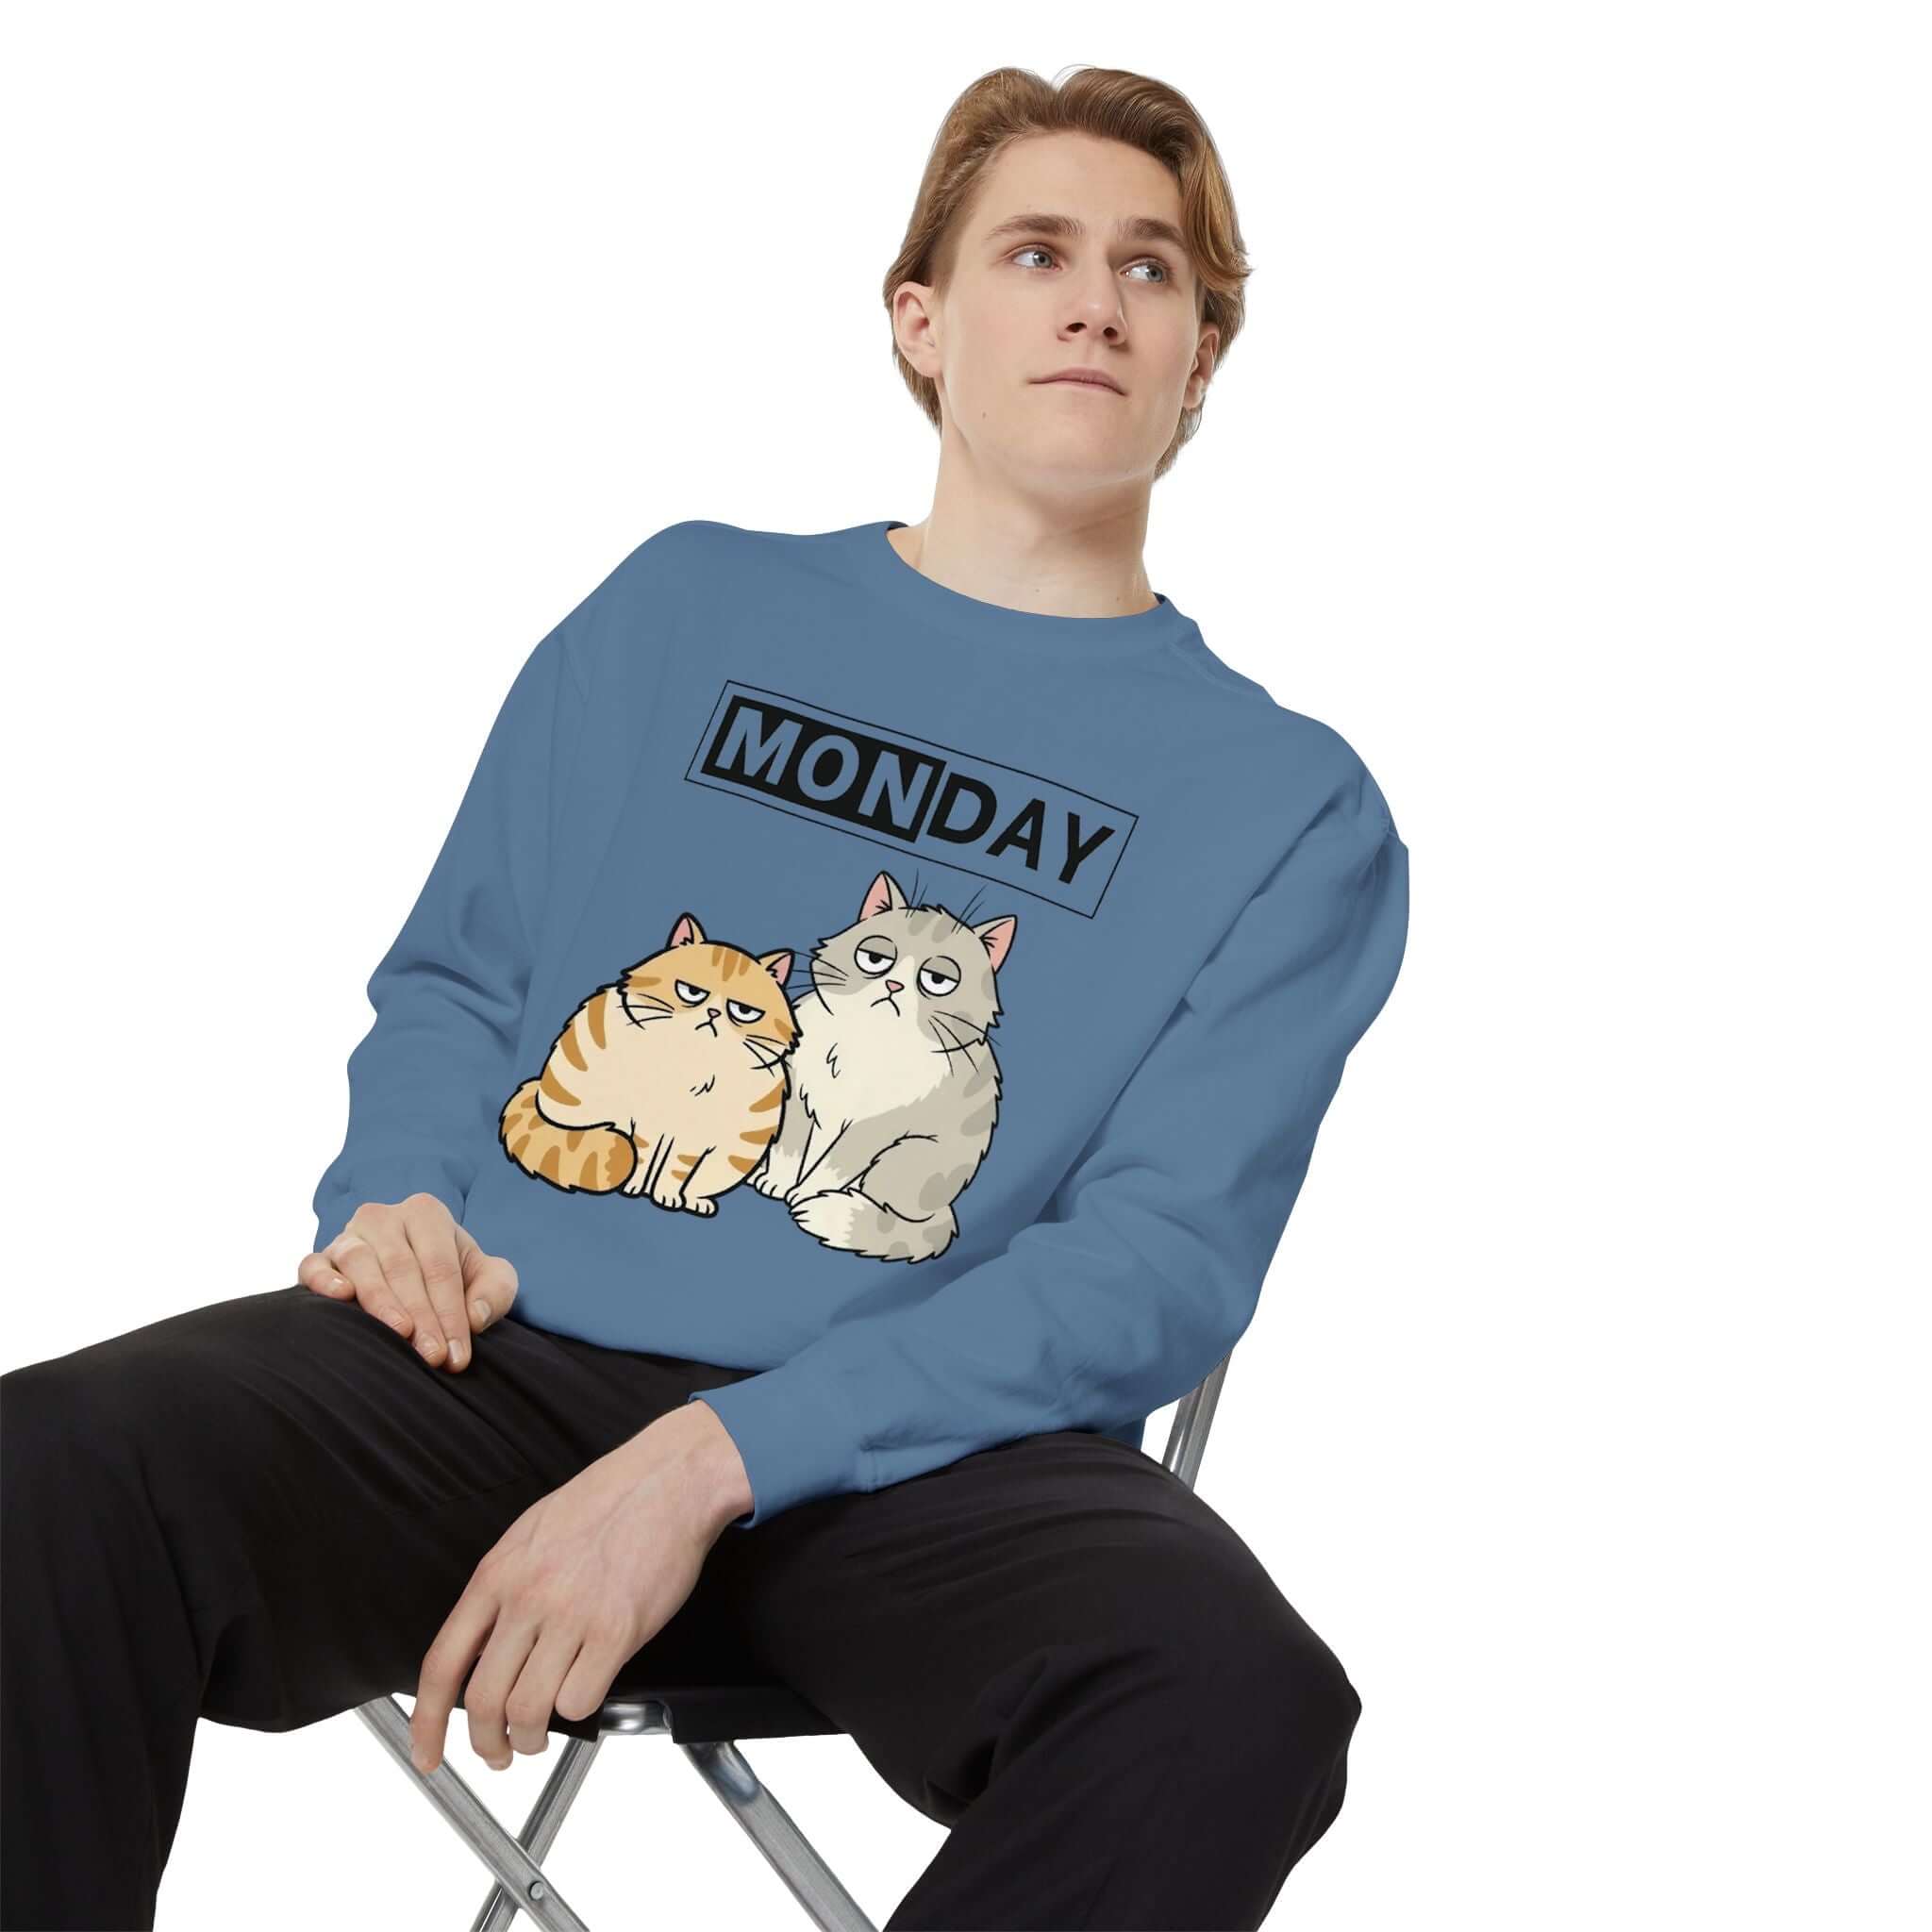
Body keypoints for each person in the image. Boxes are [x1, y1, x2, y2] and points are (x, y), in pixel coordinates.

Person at [1, 61, 1409, 1932]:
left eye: (1150, 271)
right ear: (922, 320)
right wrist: (395, 1199)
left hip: (927, 1454)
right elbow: (463, 975)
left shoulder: (1290, 805)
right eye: (1036, 251)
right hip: (497, 1365)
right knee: (44, 1477)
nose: (1094, 302)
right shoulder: (683, 611)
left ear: (1200, 357)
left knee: (1233, 1700)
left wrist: (717, 1459)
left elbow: (1153, 1265)